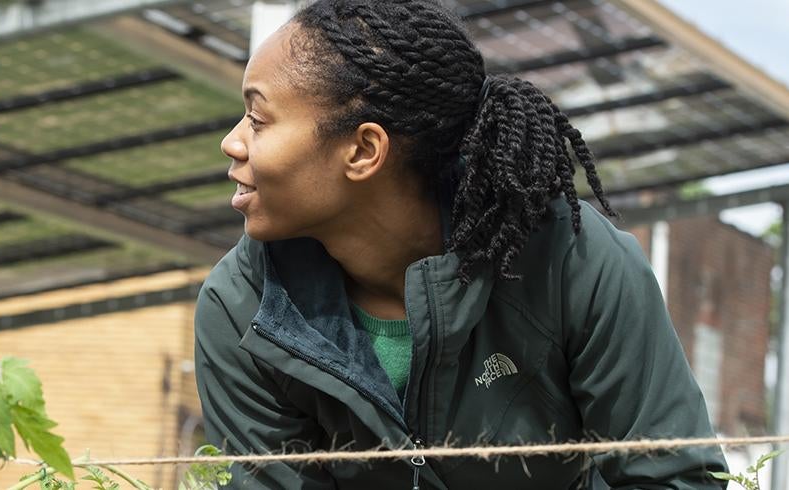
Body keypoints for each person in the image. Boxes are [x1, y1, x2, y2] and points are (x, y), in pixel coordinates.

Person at [192, 0, 728, 488]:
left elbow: (674, 479)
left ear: (363, 151)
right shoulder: (241, 308)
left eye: (258, 120)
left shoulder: (573, 259)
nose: (231, 142)